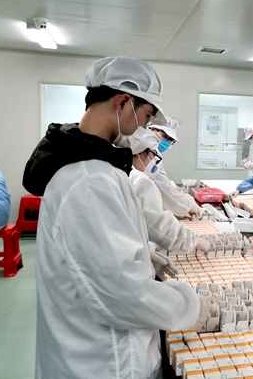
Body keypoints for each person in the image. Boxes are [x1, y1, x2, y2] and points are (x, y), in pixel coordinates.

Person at [23, 56, 211, 379]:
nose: (144, 128)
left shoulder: (97, 168)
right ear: (123, 102)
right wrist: (190, 307)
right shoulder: (87, 180)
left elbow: (99, 256)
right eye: (146, 116)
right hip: (100, 364)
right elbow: (123, 294)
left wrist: (142, 256)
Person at [129, 132, 210, 253]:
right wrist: (193, 241)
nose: (153, 160)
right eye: (153, 154)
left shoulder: (122, 172)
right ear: (139, 154)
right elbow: (159, 226)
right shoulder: (140, 181)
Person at [148, 118, 204, 219]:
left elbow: (163, 183)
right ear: (152, 129)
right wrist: (188, 206)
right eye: (165, 136)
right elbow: (162, 187)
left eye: (170, 140)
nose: (167, 142)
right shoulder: (145, 152)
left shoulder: (155, 153)